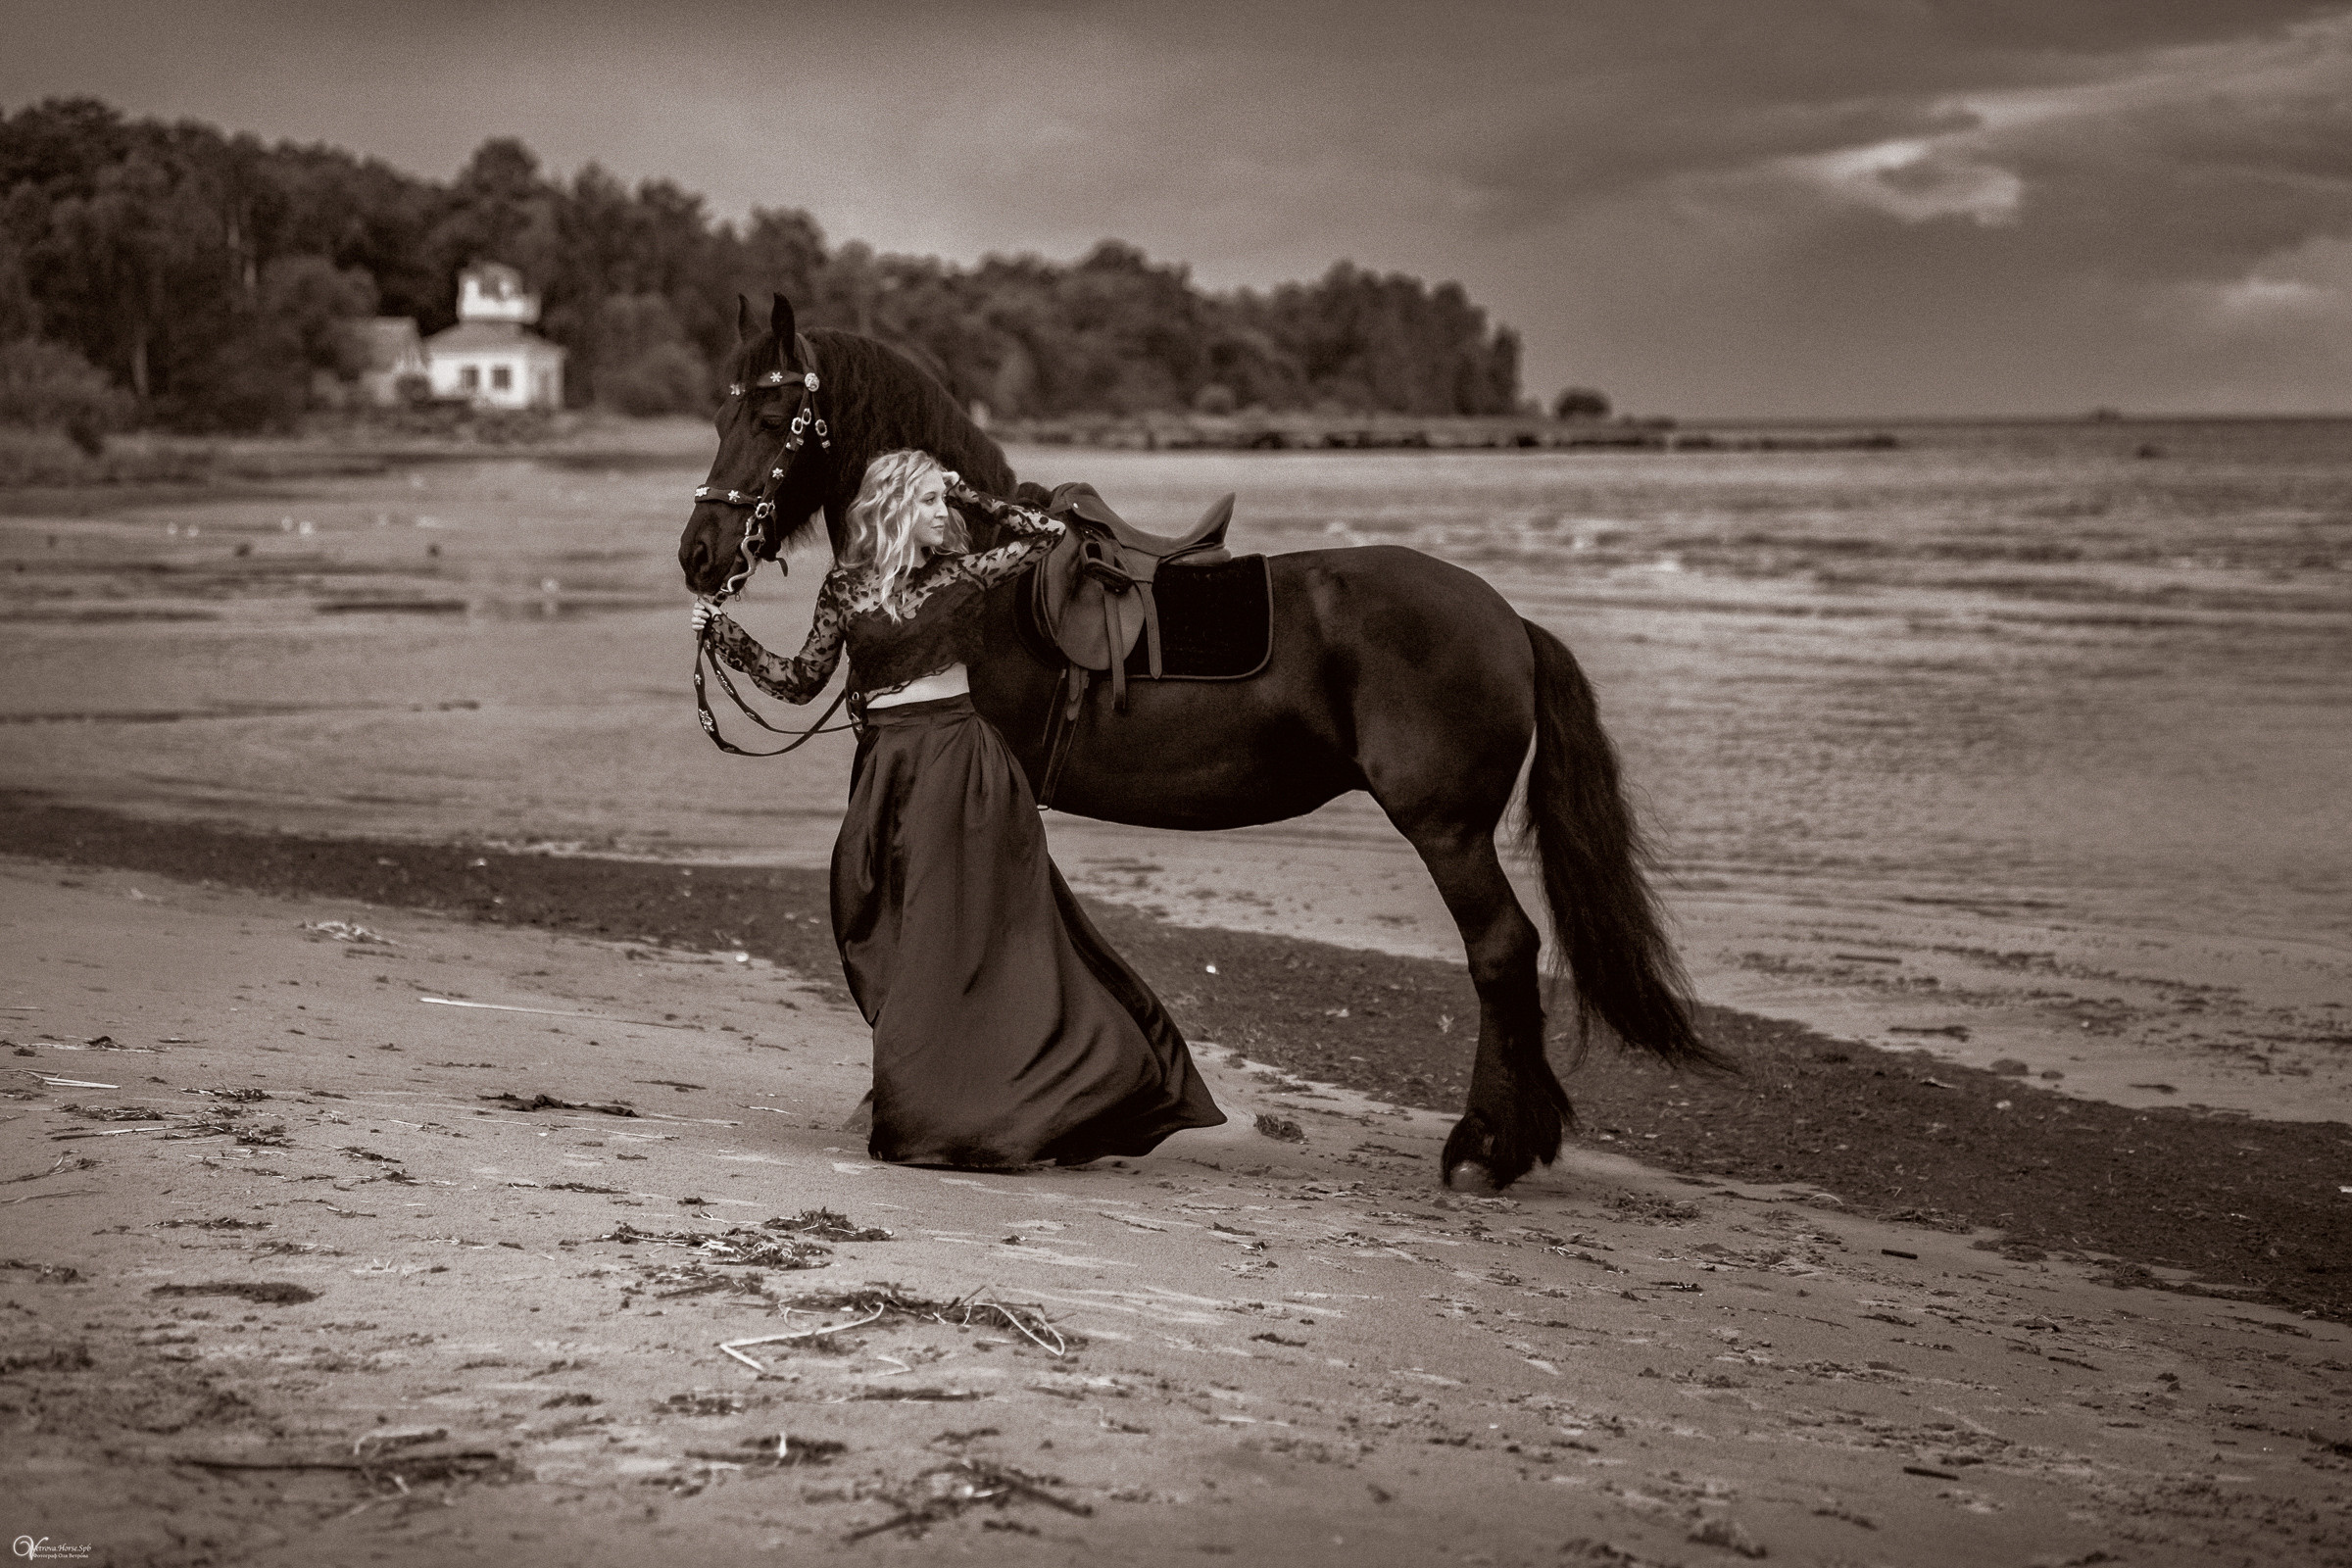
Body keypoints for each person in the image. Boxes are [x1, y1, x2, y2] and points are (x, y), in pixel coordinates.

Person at [691, 449, 1225, 1169]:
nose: (946, 516)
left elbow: (1045, 536)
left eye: (947, 504)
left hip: (961, 767)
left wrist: (969, 493)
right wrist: (721, 634)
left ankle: (932, 1110)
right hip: (885, 765)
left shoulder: (965, 575)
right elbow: (798, 682)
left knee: (943, 939)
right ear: (898, 505)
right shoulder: (845, 590)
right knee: (868, 910)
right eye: (933, 502)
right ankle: (950, 1085)